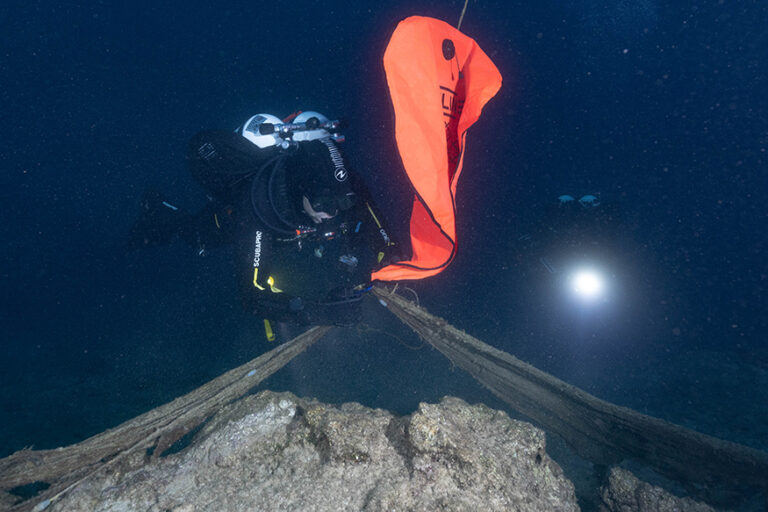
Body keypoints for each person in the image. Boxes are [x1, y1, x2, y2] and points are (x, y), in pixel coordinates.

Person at [127, 111, 401, 327]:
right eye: (322, 205)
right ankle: (160, 210)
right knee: (198, 236)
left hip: (291, 232)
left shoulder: (348, 188)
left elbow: (387, 245)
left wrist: (373, 277)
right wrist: (321, 313)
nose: (330, 214)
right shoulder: (260, 208)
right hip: (239, 220)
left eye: (341, 203)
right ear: (302, 192)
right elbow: (253, 295)